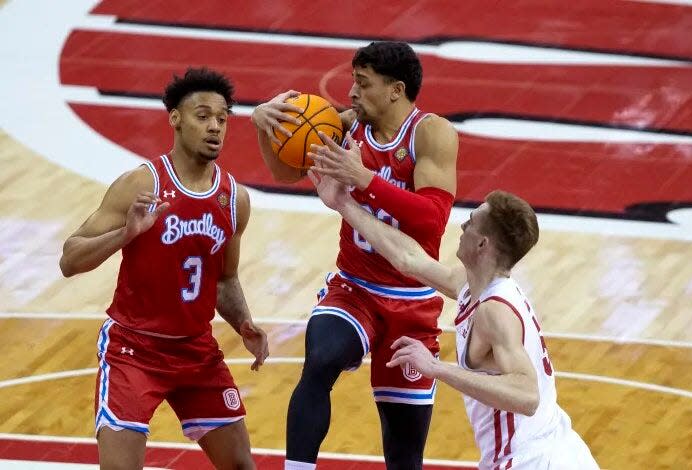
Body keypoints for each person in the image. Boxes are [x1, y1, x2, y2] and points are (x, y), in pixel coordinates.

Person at [251, 41, 458, 469]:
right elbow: (285, 172)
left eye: (362, 84)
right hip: (355, 289)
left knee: (404, 455)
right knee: (321, 358)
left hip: (412, 302)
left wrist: (364, 179)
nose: (351, 93)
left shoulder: (431, 134)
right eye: (352, 81)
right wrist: (261, 125)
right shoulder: (344, 126)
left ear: (395, 90)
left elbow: (432, 220)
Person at [310, 169, 599, 470]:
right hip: (557, 450)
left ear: (482, 245)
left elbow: (527, 395)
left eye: (471, 222)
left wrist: (435, 368)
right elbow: (409, 259)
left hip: (531, 461)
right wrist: (344, 204)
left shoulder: (494, 310)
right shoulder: (473, 285)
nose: (462, 225)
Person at [59, 67, 269, 470]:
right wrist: (126, 234)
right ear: (175, 118)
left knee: (242, 466)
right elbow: (70, 258)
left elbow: (225, 279)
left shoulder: (233, 199)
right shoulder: (142, 184)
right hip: (134, 349)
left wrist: (244, 322)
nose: (215, 127)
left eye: (223, 119)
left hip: (196, 350)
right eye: (202, 116)